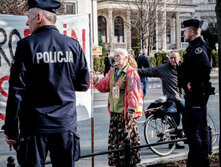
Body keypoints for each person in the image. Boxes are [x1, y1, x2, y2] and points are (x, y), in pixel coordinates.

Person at [3, 0, 90, 166]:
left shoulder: (26, 46)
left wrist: (11, 130)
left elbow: (16, 91)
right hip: (64, 125)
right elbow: (83, 84)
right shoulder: (73, 45)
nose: (27, 22)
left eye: (28, 17)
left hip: (35, 127)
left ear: (39, 17)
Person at [91, 48, 143, 166]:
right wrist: (95, 80)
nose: (115, 58)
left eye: (118, 56)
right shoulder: (112, 71)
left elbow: (133, 91)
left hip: (125, 115)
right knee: (116, 144)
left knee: (126, 144)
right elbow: (104, 86)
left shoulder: (131, 72)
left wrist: (131, 108)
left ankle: (128, 164)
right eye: (115, 56)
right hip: (114, 115)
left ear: (125, 58)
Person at [182, 19, 214, 167]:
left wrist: (192, 83)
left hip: (196, 95)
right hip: (196, 95)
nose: (184, 34)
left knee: (194, 129)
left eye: (185, 31)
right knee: (197, 128)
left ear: (192, 32)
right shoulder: (195, 47)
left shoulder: (198, 48)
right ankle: (199, 160)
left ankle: (200, 161)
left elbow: (205, 66)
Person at [137, 51, 185, 149]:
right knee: (187, 113)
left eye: (175, 58)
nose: (172, 60)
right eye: (171, 58)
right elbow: (149, 71)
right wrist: (133, 70)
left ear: (179, 59)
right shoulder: (163, 69)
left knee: (176, 121)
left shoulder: (183, 68)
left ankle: (173, 143)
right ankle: (186, 136)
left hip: (183, 96)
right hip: (173, 98)